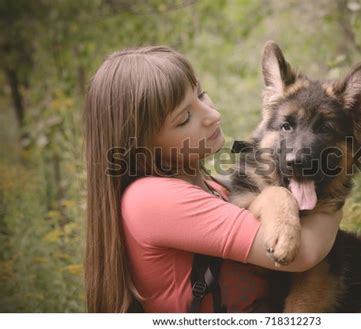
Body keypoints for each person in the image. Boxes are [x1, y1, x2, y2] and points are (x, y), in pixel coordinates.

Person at [82, 45, 342, 313]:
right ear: (140, 144)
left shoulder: (213, 187)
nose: (212, 115)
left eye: (201, 95)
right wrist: (335, 197)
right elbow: (304, 253)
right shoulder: (150, 199)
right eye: (185, 118)